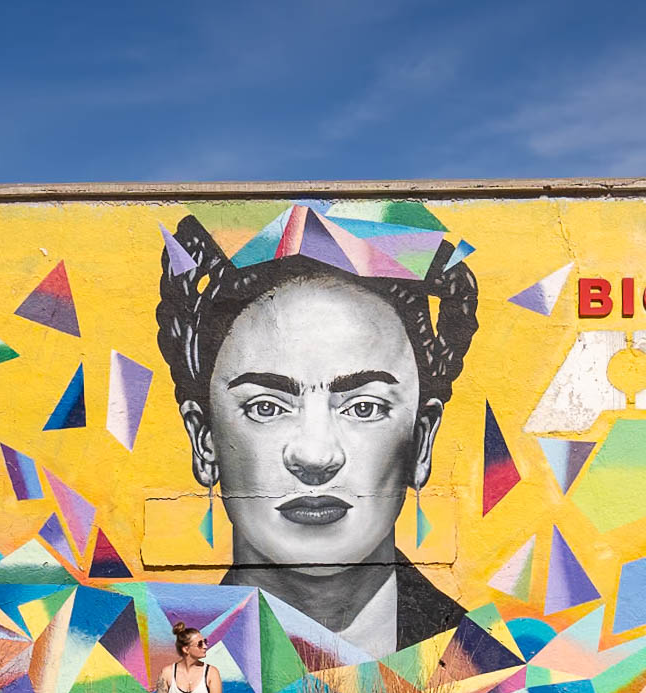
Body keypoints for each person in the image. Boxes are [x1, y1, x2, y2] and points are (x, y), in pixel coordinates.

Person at [155, 213, 478, 658]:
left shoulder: (489, 670)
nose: (314, 454)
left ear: (421, 442)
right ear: (204, 441)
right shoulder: (148, 660)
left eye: (364, 407)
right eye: (266, 407)